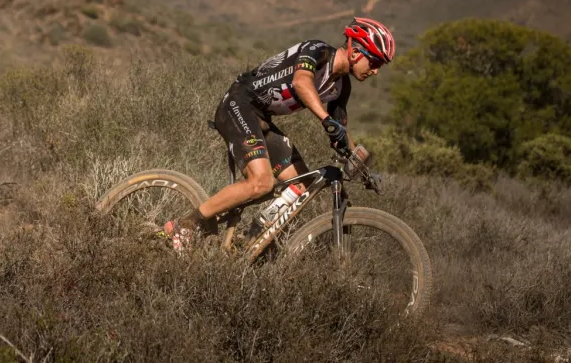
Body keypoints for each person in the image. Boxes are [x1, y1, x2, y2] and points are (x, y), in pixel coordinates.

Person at [162, 17, 396, 251]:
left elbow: (340, 131)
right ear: (355, 51)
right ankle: (185, 225)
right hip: (239, 105)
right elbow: (301, 82)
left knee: (305, 184)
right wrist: (326, 120)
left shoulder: (342, 87)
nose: (376, 71)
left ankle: (251, 240)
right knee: (261, 183)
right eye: (375, 61)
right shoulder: (318, 50)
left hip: (262, 119)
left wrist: (360, 166)